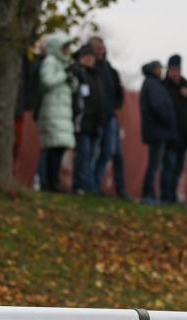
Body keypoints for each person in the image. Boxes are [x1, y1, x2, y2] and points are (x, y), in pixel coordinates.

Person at [162, 54, 187, 204]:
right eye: (172, 69)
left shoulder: (185, 85)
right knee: (169, 167)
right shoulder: (164, 87)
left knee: (178, 169)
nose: (175, 73)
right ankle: (166, 196)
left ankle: (172, 196)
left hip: (184, 135)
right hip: (171, 135)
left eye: (177, 69)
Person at [37, 32, 75, 193]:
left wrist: (72, 78)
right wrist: (64, 74)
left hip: (63, 112)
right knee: (52, 148)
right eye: (64, 47)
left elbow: (72, 88)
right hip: (52, 110)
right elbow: (47, 81)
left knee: (59, 148)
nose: (66, 51)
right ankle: (48, 182)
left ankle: (53, 182)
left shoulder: (64, 64)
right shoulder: (50, 61)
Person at [88, 36, 126, 198]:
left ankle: (96, 185)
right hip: (95, 117)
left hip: (110, 117)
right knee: (94, 152)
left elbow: (118, 90)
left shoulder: (109, 69)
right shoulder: (90, 68)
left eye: (102, 48)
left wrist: (116, 105)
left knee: (109, 152)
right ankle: (90, 186)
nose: (100, 52)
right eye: (97, 49)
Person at [139, 60, 177, 203]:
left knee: (155, 165)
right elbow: (158, 106)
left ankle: (151, 195)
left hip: (156, 130)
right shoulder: (153, 84)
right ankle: (148, 195)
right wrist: (169, 120)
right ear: (154, 69)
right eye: (160, 68)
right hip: (158, 131)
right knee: (154, 165)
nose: (162, 71)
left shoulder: (152, 83)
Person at [68, 44, 104, 195]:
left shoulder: (96, 75)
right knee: (83, 155)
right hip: (82, 121)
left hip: (95, 123)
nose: (90, 59)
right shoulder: (77, 71)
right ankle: (79, 186)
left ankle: (88, 186)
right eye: (86, 56)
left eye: (91, 57)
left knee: (91, 156)